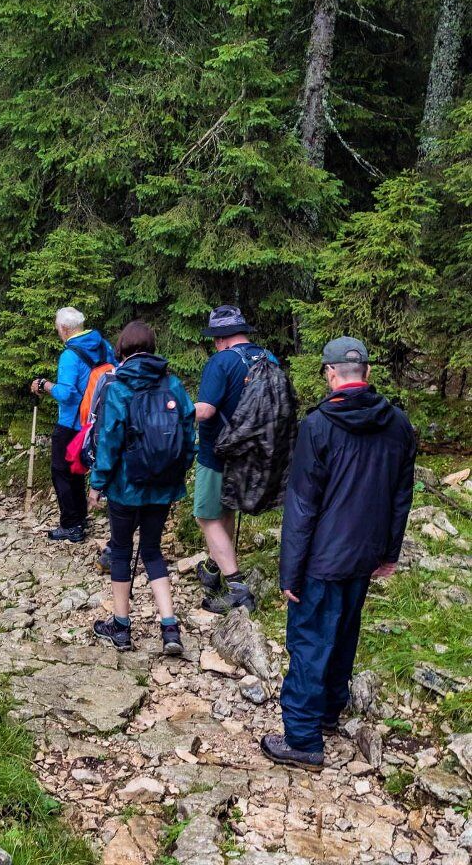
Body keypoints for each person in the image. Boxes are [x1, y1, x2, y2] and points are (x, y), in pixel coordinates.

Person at [261, 337, 416, 772]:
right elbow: (400, 496)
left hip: (323, 557)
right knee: (344, 632)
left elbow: (303, 504)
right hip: (365, 553)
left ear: (331, 374)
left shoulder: (319, 425)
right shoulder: (398, 424)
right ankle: (329, 711)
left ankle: (304, 740)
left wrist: (289, 570)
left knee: (310, 641)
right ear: (365, 373)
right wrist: (389, 552)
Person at [88, 320, 195, 655]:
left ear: (122, 348)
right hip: (163, 484)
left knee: (121, 549)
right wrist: (179, 468)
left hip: (126, 484)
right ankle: (170, 627)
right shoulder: (173, 384)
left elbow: (109, 440)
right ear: (151, 346)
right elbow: (189, 430)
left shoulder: (117, 386)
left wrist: (97, 483)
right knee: (151, 550)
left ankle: (121, 626)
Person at [193, 304, 274, 613]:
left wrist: (174, 409)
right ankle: (213, 570)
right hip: (256, 451)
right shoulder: (269, 358)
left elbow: (207, 410)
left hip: (219, 452)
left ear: (220, 338)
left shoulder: (221, 361)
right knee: (223, 509)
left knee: (206, 515)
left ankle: (237, 587)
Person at [31, 307, 116, 543]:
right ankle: (80, 518)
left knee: (62, 472)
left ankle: (71, 524)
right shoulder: (103, 345)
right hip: (96, 421)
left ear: (63, 328)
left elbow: (67, 394)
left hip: (71, 423)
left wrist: (45, 385)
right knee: (78, 470)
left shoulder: (69, 355)